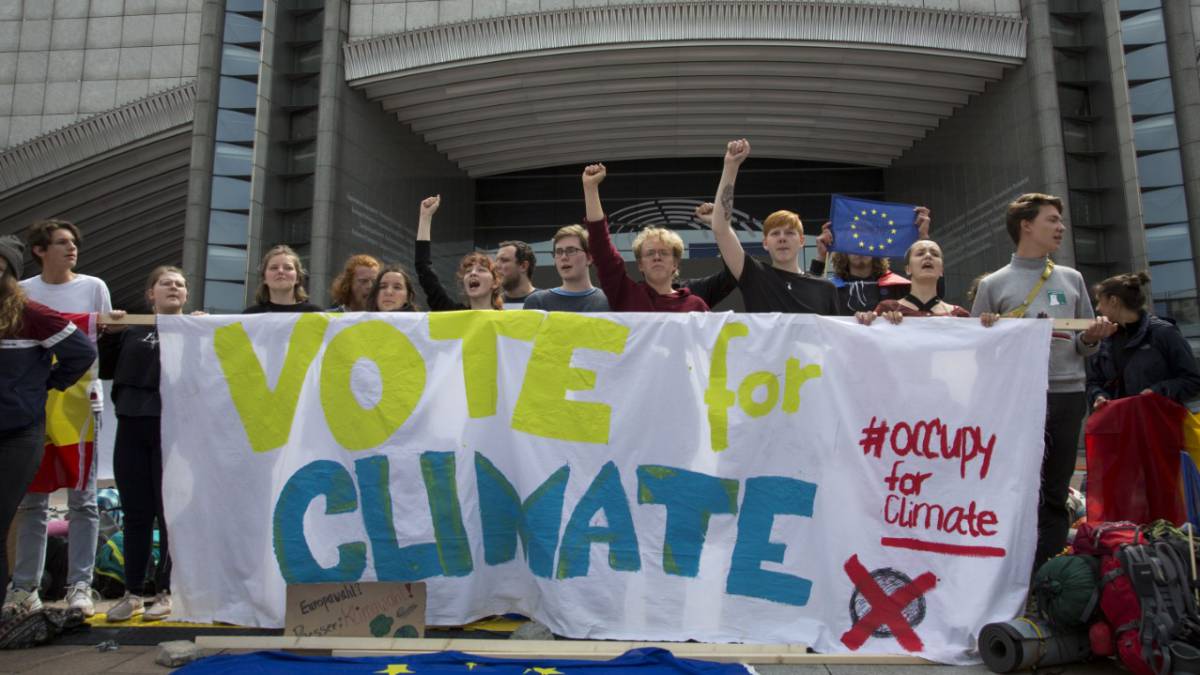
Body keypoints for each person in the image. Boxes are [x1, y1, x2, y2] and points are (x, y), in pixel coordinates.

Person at [970, 192, 1116, 570]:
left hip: (1067, 394)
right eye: (1052, 220)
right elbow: (977, 351)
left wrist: (1091, 338)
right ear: (1026, 226)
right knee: (1015, 486)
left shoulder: (1072, 279)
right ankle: (1005, 571)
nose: (1061, 228)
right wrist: (991, 333)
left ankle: (1046, 574)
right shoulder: (993, 285)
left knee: (1055, 490)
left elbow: (1085, 345)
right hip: (1016, 398)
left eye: (1061, 221)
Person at [7, 219, 112, 618]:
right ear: (39, 250)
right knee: (33, 498)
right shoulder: (23, 292)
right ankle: (24, 587)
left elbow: (97, 338)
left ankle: (80, 585)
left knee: (83, 499)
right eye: (62, 243)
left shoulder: (93, 287)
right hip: (35, 405)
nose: (72, 249)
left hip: (81, 403)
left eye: (74, 243)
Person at [99, 267, 197, 622]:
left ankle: (167, 591)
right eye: (165, 282)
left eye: (180, 284)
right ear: (150, 294)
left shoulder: (195, 330)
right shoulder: (131, 330)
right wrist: (110, 334)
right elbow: (106, 369)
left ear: (186, 296)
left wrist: (204, 331)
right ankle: (133, 592)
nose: (174, 287)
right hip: (131, 428)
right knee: (136, 513)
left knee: (169, 513)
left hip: (173, 431)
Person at [707, 139, 839, 314]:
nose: (782, 238)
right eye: (775, 233)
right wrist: (731, 167)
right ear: (765, 243)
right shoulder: (754, 275)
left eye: (790, 233)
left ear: (801, 241)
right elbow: (721, 229)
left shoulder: (826, 289)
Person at [582, 164, 709, 312]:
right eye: (649, 253)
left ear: (675, 263)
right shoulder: (625, 294)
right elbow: (601, 250)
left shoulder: (696, 306)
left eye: (664, 253)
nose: (657, 257)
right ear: (640, 264)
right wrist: (590, 188)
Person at [1087, 272, 1200, 409]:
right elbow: (1093, 382)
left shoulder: (1164, 332)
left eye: (1099, 301)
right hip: (1118, 423)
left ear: (1113, 301)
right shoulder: (1105, 337)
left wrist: (1157, 391)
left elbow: (1193, 381)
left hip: (1159, 423)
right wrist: (1098, 396)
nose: (1097, 308)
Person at [810, 211, 930, 315]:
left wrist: (923, 238)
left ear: (877, 248)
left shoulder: (898, 287)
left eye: (866, 241)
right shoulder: (832, 290)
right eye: (853, 241)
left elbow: (929, 298)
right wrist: (821, 256)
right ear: (843, 250)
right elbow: (808, 303)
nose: (860, 246)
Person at [415, 196, 503, 311]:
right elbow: (423, 268)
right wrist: (425, 217)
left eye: (481, 270)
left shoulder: (507, 321)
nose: (473, 273)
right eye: (468, 271)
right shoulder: (452, 314)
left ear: (495, 283)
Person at [855, 240, 970, 324]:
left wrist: (987, 324)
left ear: (941, 270)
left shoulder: (960, 314)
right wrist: (863, 321)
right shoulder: (888, 308)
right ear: (908, 269)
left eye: (935, 254)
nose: (928, 256)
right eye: (920, 253)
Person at [523, 225, 609, 312]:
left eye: (571, 250)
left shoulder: (608, 302)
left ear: (589, 258)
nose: (563, 257)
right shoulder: (537, 302)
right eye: (559, 252)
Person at [242, 245, 322, 313]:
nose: (280, 271)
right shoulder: (250, 315)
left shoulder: (315, 314)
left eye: (288, 268)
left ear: (297, 278)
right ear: (264, 279)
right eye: (274, 268)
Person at [495, 240, 537, 309]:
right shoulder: (493, 304)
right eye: (496, 261)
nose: (496, 266)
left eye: (504, 260)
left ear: (523, 266)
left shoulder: (546, 301)